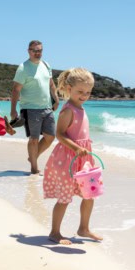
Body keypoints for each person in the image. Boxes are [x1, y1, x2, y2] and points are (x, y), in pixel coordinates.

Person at [42, 67, 102, 244]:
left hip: (84, 159)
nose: (84, 95)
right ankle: (54, 232)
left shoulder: (81, 108)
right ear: (69, 89)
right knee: (65, 197)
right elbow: (60, 134)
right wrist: (76, 148)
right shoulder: (68, 110)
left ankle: (84, 228)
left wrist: (84, 150)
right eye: (80, 92)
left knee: (89, 194)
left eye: (88, 92)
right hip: (68, 158)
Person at [10, 40, 59, 174]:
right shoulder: (23, 68)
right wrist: (13, 110)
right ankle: (34, 168)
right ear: (29, 51)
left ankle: (32, 158)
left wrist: (56, 98)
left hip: (47, 107)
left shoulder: (46, 64)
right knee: (34, 139)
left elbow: (51, 84)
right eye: (35, 50)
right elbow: (16, 90)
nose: (38, 53)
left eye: (40, 50)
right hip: (30, 108)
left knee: (50, 136)